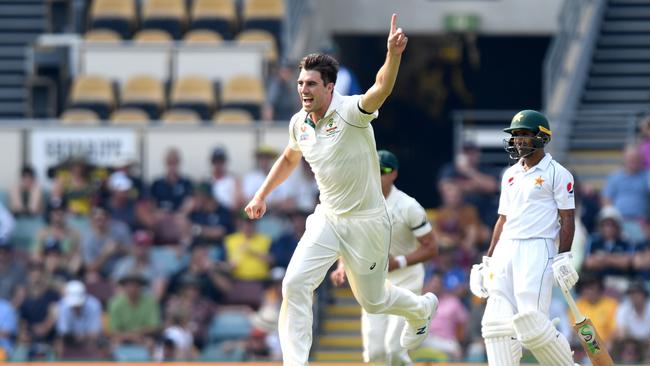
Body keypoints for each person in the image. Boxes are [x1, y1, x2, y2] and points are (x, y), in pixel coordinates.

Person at [244, 14, 438, 365]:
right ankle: (296, 361)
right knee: (294, 285)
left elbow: (381, 88)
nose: (304, 90)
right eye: (301, 83)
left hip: (367, 222)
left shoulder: (350, 111)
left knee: (373, 301)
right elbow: (289, 158)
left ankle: (422, 308)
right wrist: (261, 195)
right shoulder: (298, 123)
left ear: (330, 87)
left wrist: (393, 55)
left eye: (312, 84)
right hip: (328, 218)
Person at [469, 110, 579, 365]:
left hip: (537, 249)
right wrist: (488, 259)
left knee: (532, 327)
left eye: (524, 135)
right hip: (507, 249)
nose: (518, 140)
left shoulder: (557, 173)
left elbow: (568, 218)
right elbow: (502, 220)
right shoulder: (509, 175)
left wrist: (563, 257)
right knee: (496, 324)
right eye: (515, 135)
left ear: (542, 137)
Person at [329, 149, 436, 366]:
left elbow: (431, 248)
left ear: (393, 174)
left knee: (394, 350)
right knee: (375, 353)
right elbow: (350, 239)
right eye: (372, 169)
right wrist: (341, 266)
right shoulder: (358, 203)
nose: (377, 175)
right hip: (374, 283)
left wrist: (399, 262)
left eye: (383, 170)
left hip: (407, 281)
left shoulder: (408, 206)